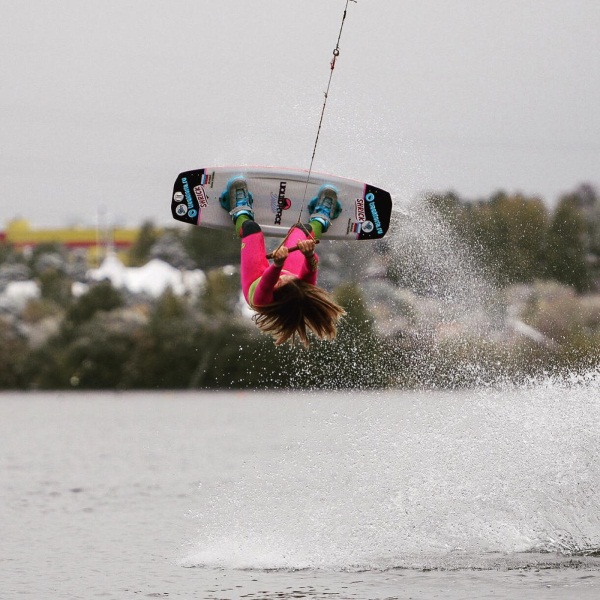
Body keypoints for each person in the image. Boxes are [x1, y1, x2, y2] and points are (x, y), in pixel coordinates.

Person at [220, 176, 345, 347]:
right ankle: (321, 219)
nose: (283, 279)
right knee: (302, 230)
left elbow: (266, 282)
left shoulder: (262, 300)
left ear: (279, 295)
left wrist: (278, 266)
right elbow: (311, 269)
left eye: (280, 283)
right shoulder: (299, 289)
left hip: (254, 281)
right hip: (284, 274)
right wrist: (309, 254)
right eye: (288, 280)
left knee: (251, 228)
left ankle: (239, 211)